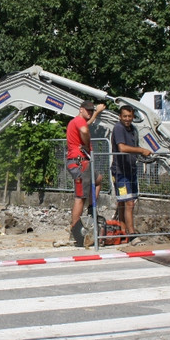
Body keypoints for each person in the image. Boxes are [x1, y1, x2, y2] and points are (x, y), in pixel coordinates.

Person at [65, 100, 105, 246]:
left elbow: (86, 125)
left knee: (98, 179)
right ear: (80, 109)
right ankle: (74, 231)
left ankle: (91, 209)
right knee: (80, 197)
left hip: (80, 163)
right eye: (87, 110)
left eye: (91, 110)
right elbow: (84, 130)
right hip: (80, 163)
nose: (89, 112)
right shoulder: (79, 121)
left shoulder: (76, 121)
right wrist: (87, 145)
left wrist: (97, 113)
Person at [111, 105, 152, 245]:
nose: (127, 119)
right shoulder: (118, 128)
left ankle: (123, 232)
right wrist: (141, 150)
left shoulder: (133, 129)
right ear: (120, 116)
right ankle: (132, 234)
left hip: (131, 170)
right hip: (120, 172)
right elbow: (122, 147)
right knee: (128, 202)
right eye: (125, 116)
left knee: (125, 202)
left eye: (130, 116)